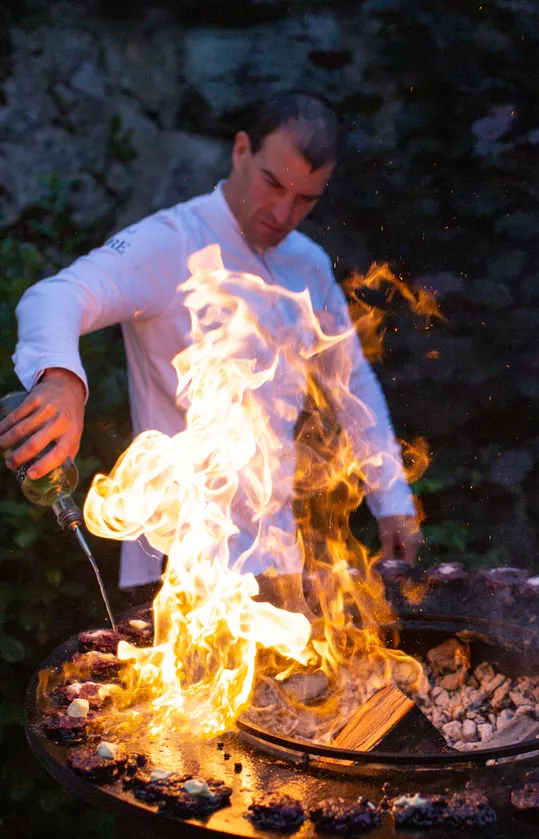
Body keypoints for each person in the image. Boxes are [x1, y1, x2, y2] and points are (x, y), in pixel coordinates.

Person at [0, 91, 421, 595]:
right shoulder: (170, 241)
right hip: (180, 567)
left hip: (276, 559)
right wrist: (61, 379)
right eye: (273, 184)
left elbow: (351, 379)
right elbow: (55, 297)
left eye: (305, 198)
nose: (284, 212)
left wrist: (393, 500)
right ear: (241, 150)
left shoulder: (306, 262)